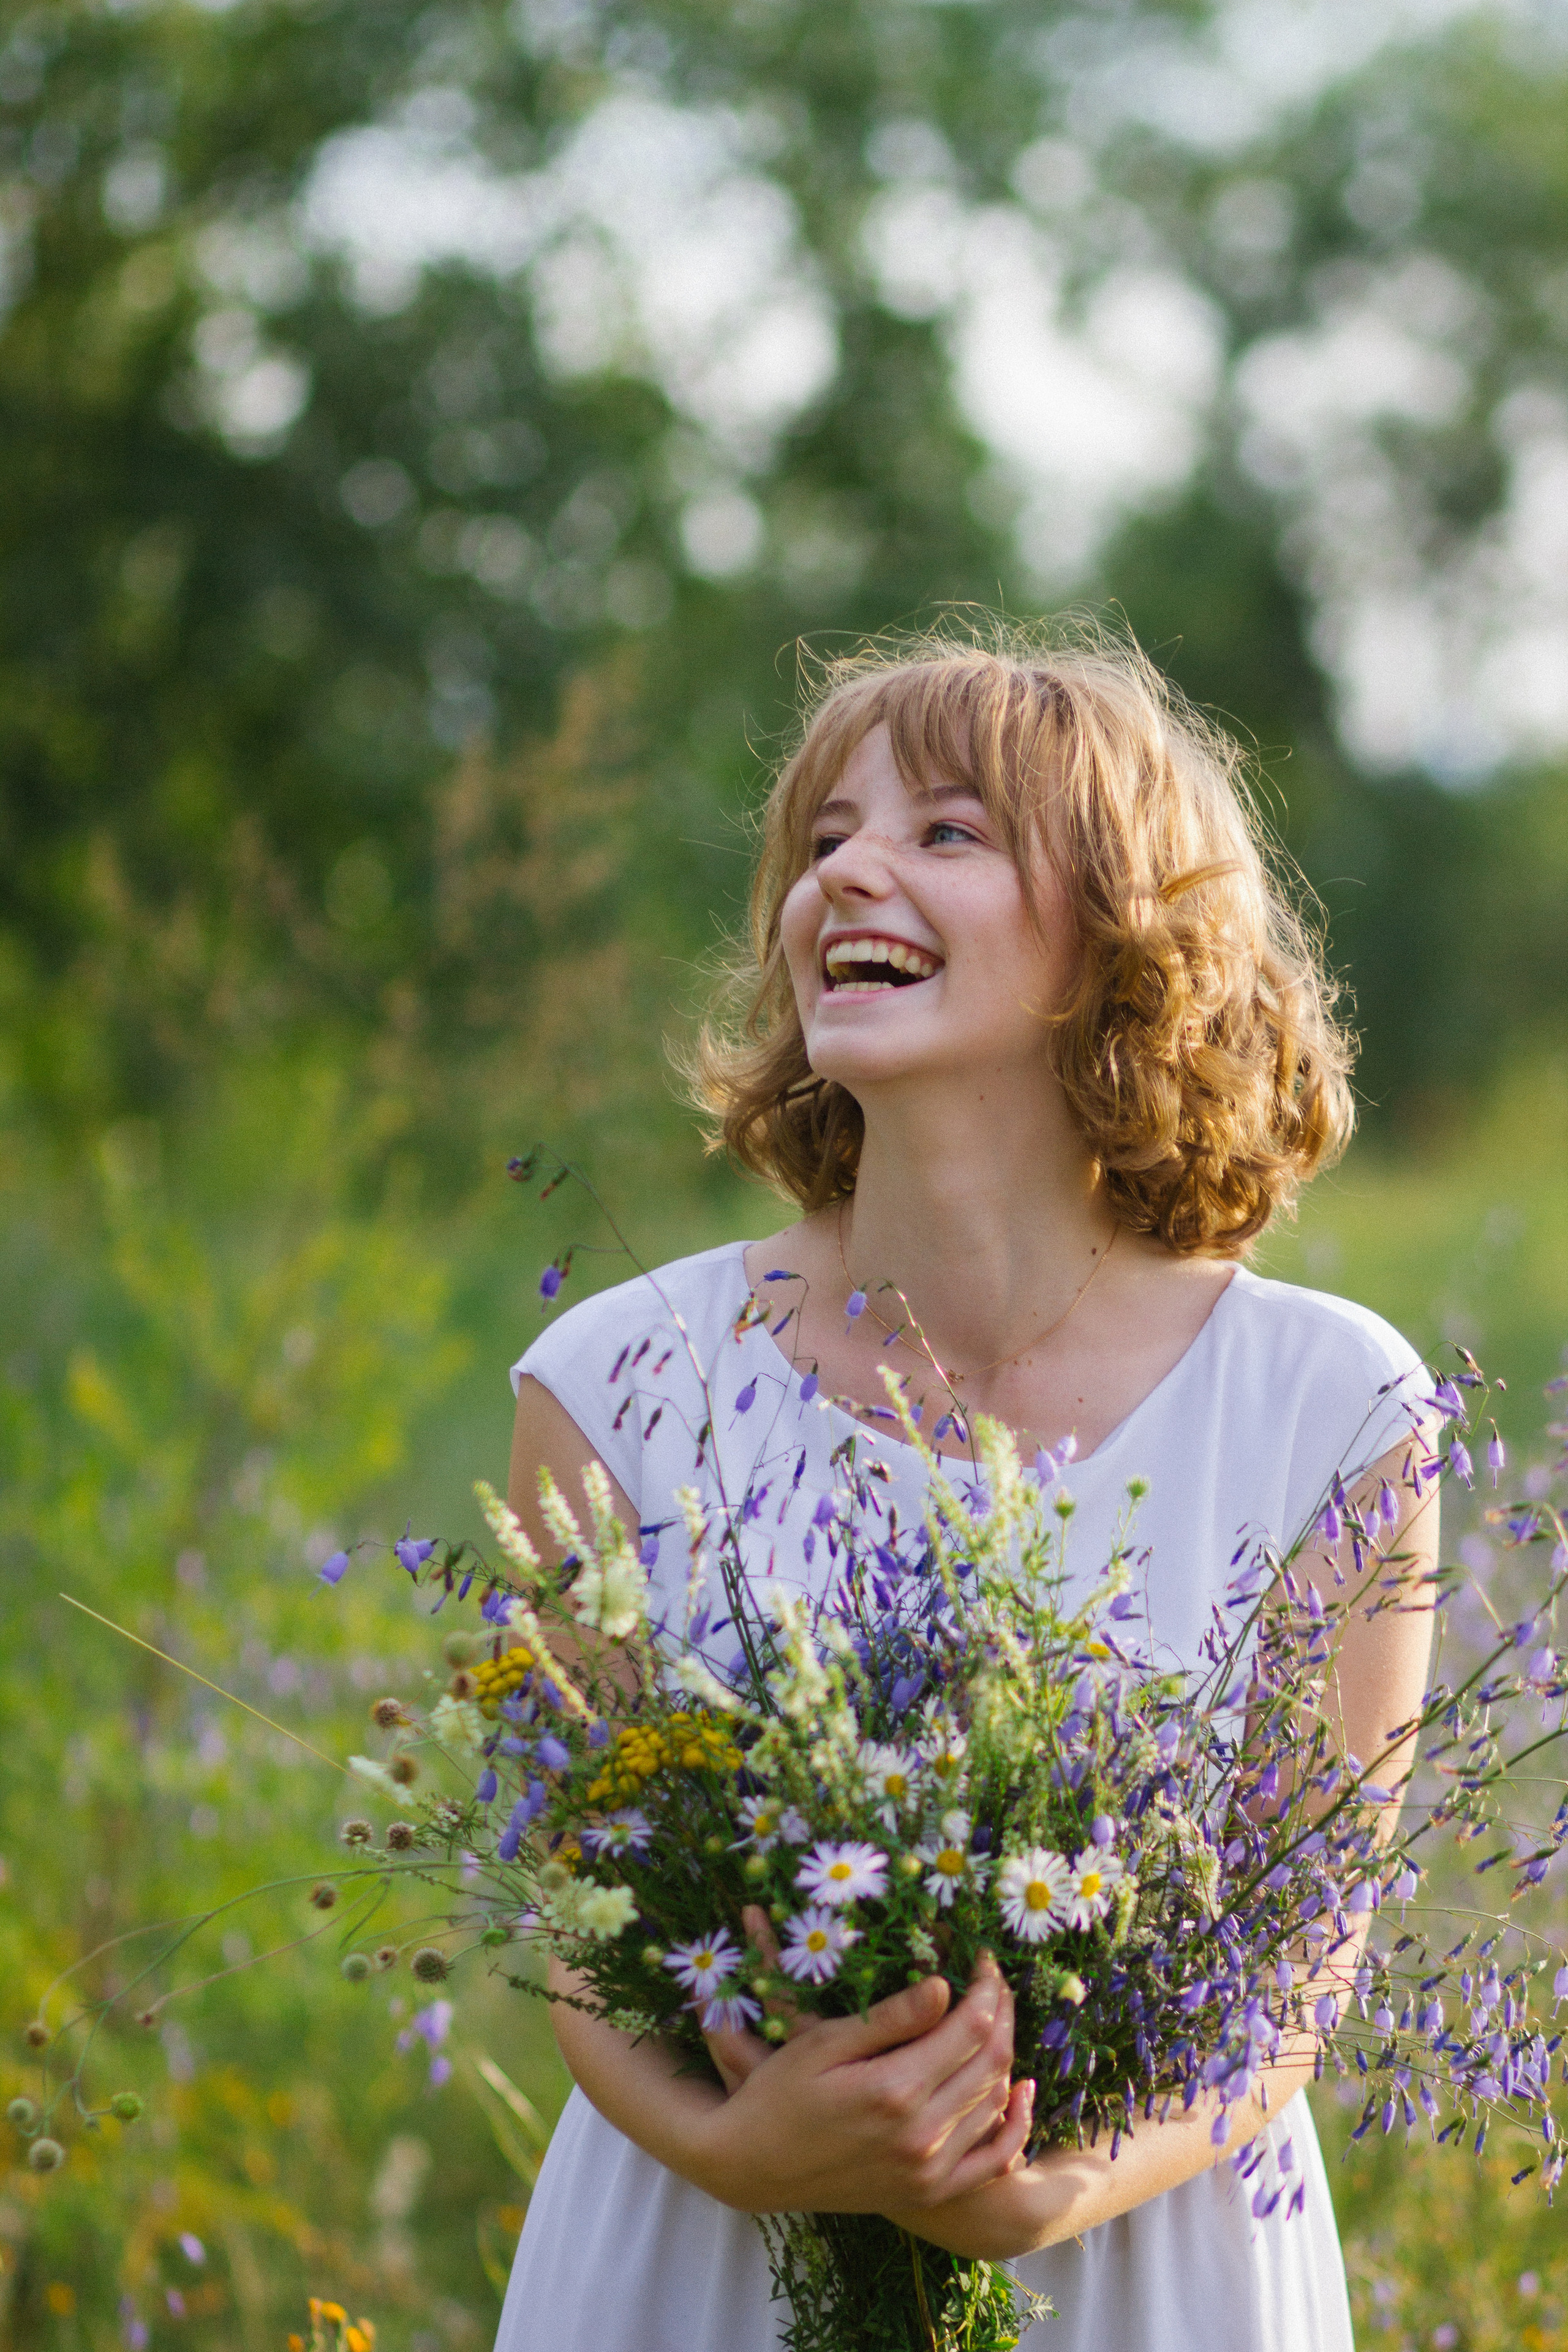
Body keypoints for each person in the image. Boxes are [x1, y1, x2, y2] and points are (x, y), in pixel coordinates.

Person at [492, 625, 1438, 2352]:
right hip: (698, 2263)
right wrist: (742, 2146)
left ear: (1125, 936)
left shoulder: (1332, 1405)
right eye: (825, 836)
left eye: (945, 831)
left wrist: (1044, 2194)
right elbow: (587, 1919)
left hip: (1143, 2267)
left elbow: (1301, 1969)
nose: (845, 869)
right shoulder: (615, 1385)